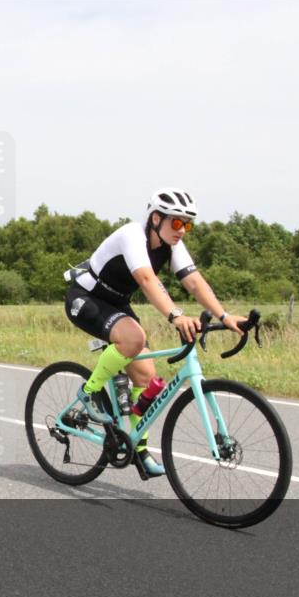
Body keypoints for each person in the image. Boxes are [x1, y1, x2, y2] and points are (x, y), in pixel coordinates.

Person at [63, 188, 247, 476]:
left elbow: (195, 282)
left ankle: (139, 450)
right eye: (177, 223)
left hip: (116, 304)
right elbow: (146, 279)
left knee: (147, 377)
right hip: (86, 298)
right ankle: (89, 393)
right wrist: (176, 316)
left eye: (188, 224)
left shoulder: (172, 244)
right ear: (156, 218)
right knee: (133, 339)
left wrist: (225, 315)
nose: (183, 230)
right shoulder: (132, 234)